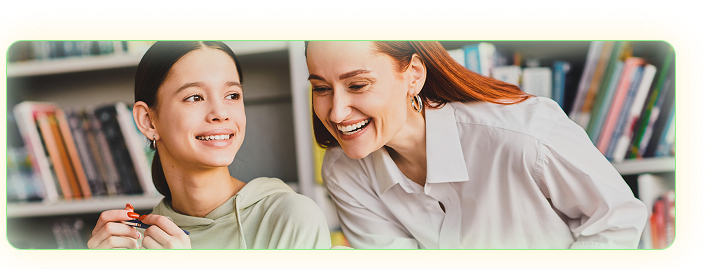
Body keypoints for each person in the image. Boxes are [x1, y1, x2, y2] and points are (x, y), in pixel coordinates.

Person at [306, 41, 648, 249]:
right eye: (321, 88)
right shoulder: (345, 171)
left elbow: (618, 219)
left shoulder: (523, 136)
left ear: (413, 75)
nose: (336, 112)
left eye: (358, 85)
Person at [87, 41, 332, 249]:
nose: (221, 113)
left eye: (232, 95)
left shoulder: (290, 218)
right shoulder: (133, 240)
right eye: (195, 97)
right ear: (148, 120)